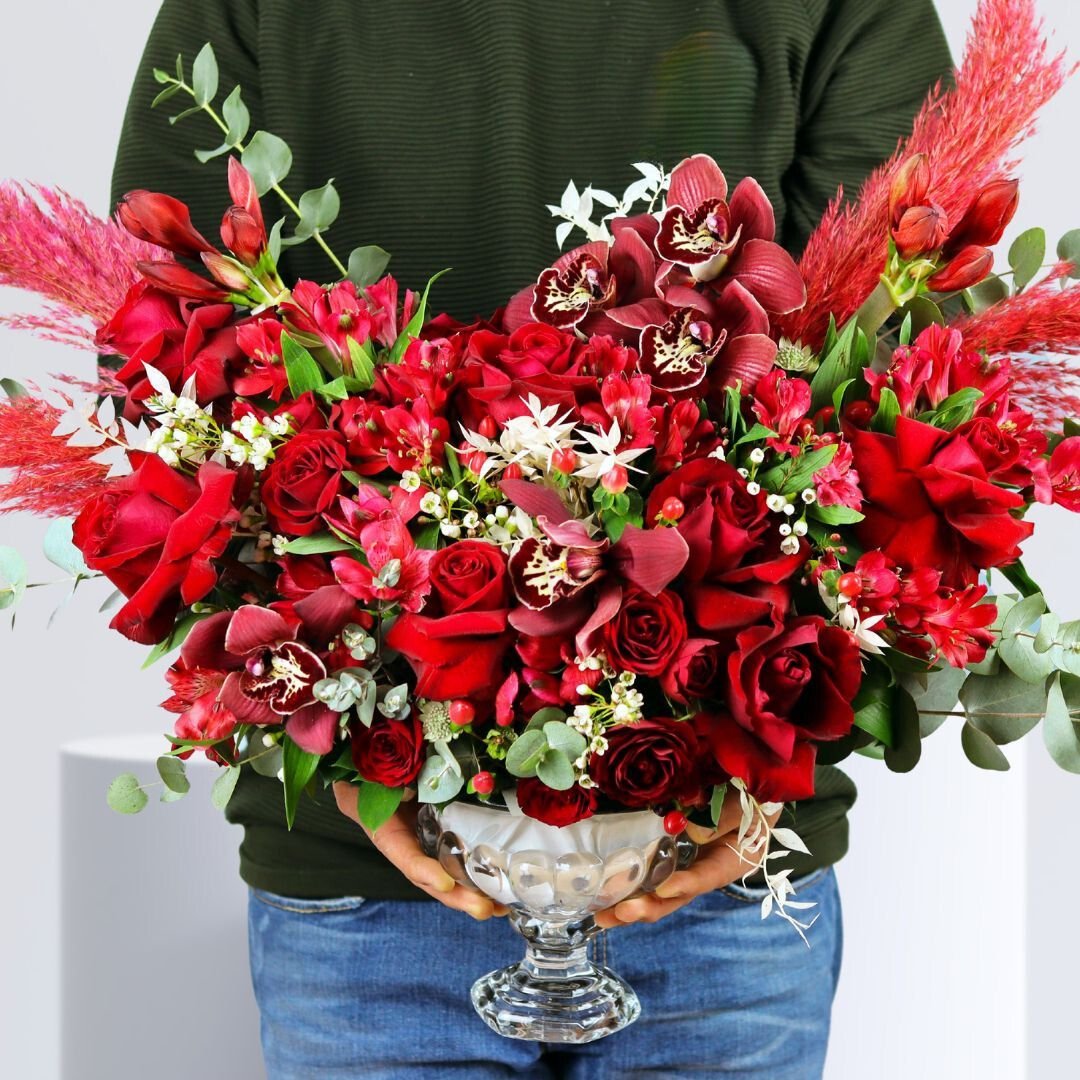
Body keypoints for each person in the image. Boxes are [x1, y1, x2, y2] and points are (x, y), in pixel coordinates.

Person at [112, 3, 952, 1076]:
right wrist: (354, 767)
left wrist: (746, 770)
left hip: (716, 880)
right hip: (373, 880)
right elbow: (163, 389)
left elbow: (912, 406)